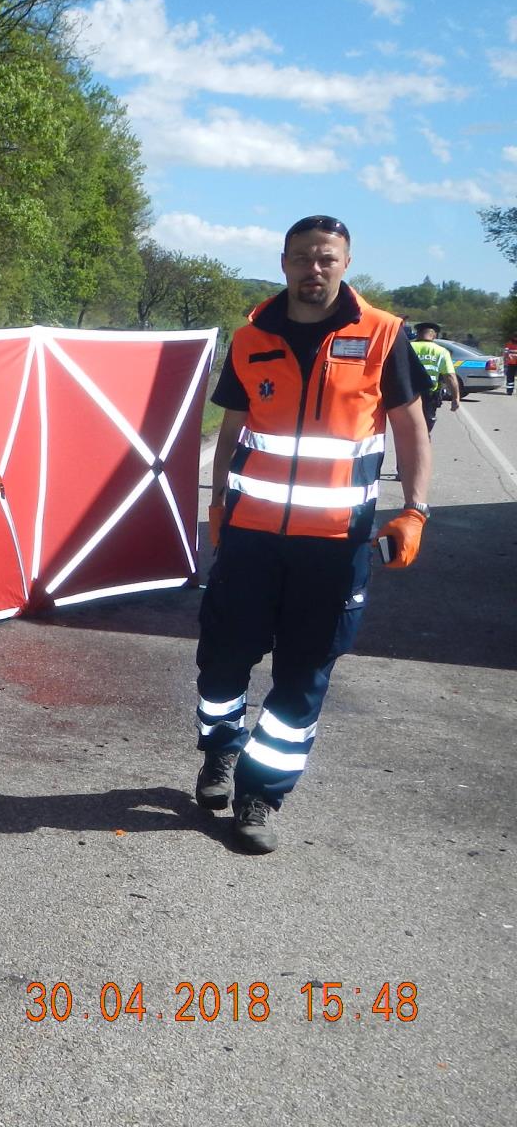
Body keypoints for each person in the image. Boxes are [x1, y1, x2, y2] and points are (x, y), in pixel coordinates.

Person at [195, 215, 433, 853]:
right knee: (222, 661)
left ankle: (259, 795)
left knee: (304, 674)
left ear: (345, 263)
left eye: (326, 258)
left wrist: (415, 509)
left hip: (335, 546)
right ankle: (219, 752)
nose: (314, 269)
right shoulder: (251, 337)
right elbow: (234, 430)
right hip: (250, 540)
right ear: (283, 263)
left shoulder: (383, 335)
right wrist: (218, 504)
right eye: (302, 258)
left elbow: (410, 428)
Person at [408, 323, 459, 433]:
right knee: (426, 426)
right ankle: (424, 444)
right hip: (429, 395)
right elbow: (450, 376)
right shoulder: (441, 351)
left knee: (407, 426)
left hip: (407, 394)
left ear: (417, 334)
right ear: (434, 336)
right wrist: (456, 397)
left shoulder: (407, 347)